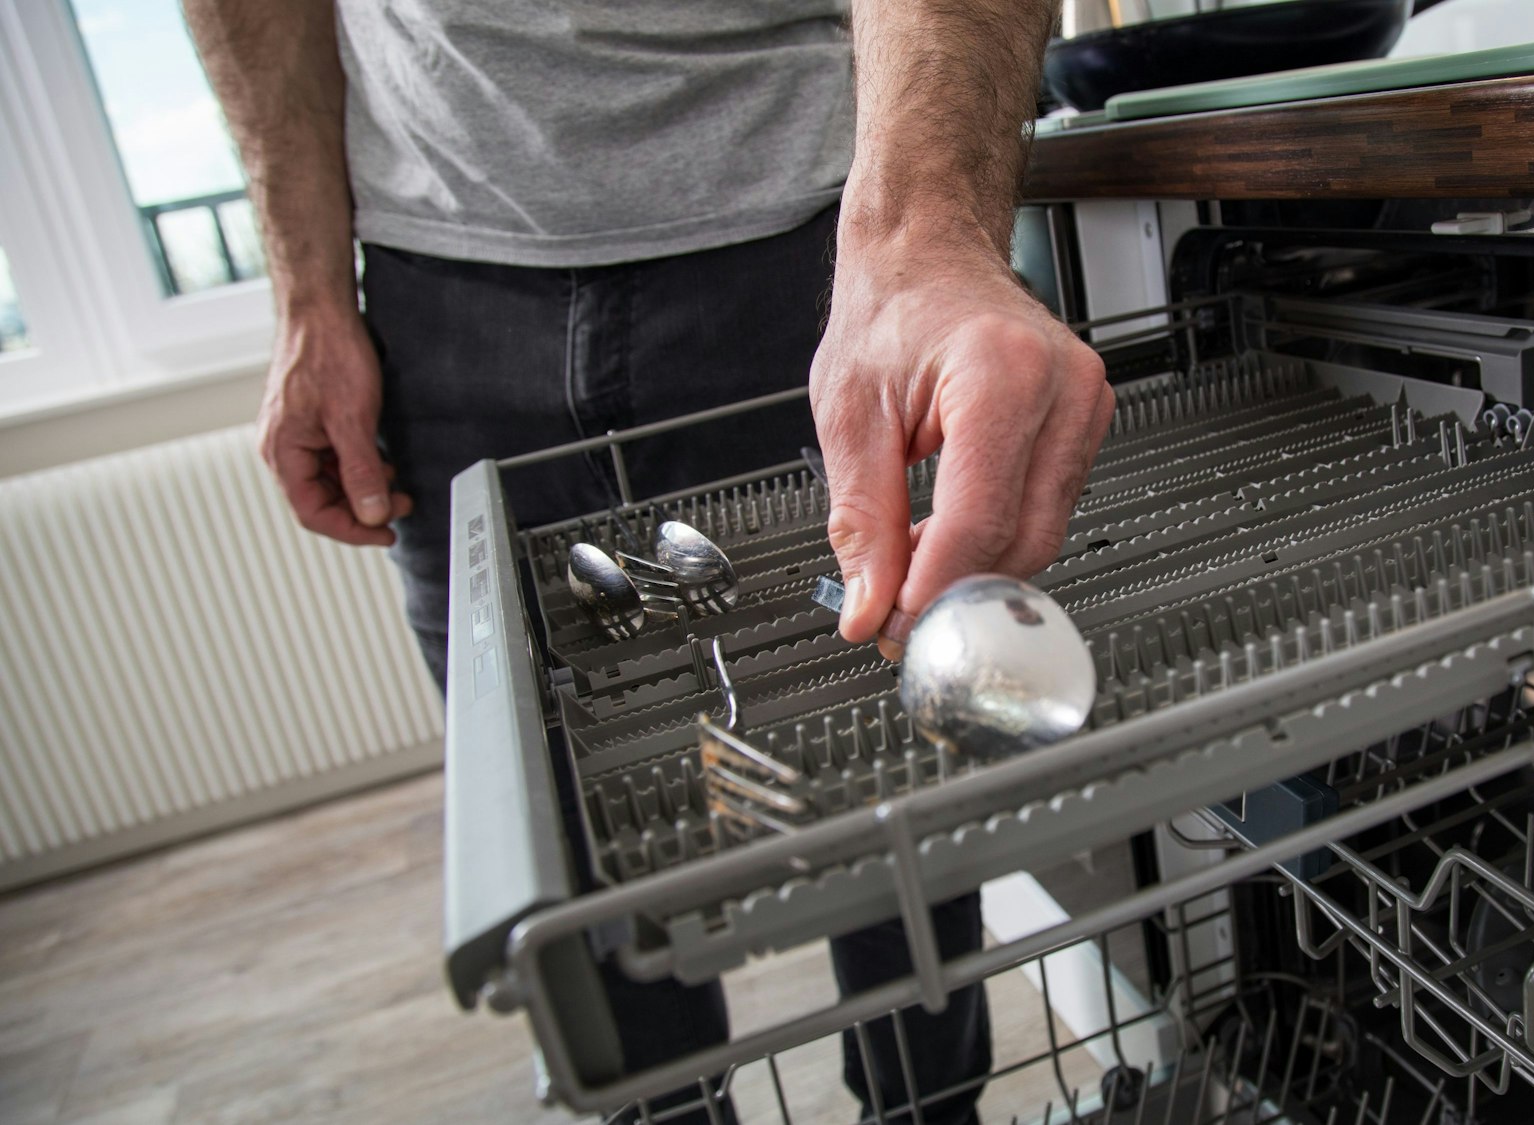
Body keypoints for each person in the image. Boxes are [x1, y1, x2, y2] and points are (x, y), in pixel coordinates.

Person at [181, 1, 1113, 1122]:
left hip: (806, 250)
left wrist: (924, 235)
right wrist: (307, 292)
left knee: (901, 784)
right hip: (439, 294)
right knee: (571, 864)